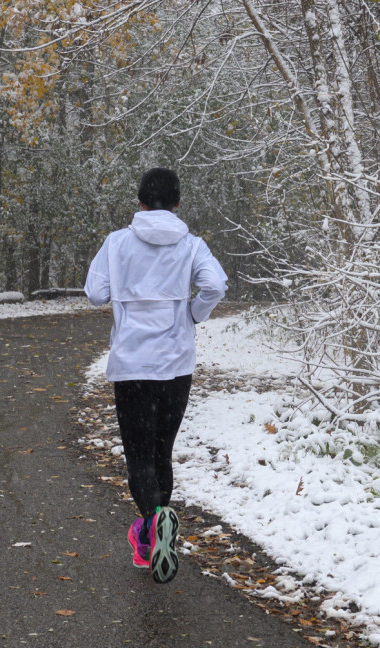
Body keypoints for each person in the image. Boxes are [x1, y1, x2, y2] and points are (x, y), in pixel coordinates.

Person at [84, 167, 228, 583]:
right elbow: (215, 285)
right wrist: (190, 314)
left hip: (132, 365)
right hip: (176, 364)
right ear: (178, 203)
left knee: (138, 454)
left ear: (141, 201)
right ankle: (153, 534)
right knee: (162, 450)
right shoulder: (191, 245)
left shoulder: (117, 243)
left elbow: (95, 294)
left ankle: (152, 524)